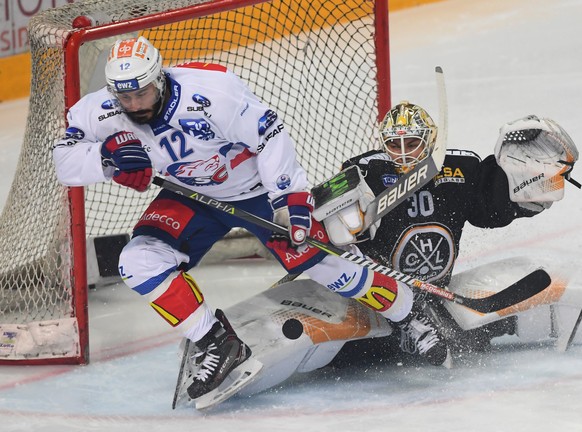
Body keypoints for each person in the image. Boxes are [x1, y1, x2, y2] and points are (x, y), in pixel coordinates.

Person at [52, 36, 445, 403]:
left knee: (325, 265)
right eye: (126, 96)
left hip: (257, 191)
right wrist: (107, 159)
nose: (135, 104)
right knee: (138, 261)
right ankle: (217, 341)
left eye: (143, 92)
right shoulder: (102, 110)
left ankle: (409, 312)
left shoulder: (211, 92)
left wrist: (291, 199)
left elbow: (269, 135)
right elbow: (64, 161)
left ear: (159, 77)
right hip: (191, 197)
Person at [314, 101, 579, 360]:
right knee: (358, 352)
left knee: (465, 341)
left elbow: (492, 208)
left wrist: (534, 185)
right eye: (395, 144)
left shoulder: (460, 168)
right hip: (378, 298)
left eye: (412, 143)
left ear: (430, 140)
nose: (404, 152)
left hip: (436, 293)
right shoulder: (364, 170)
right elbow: (322, 212)